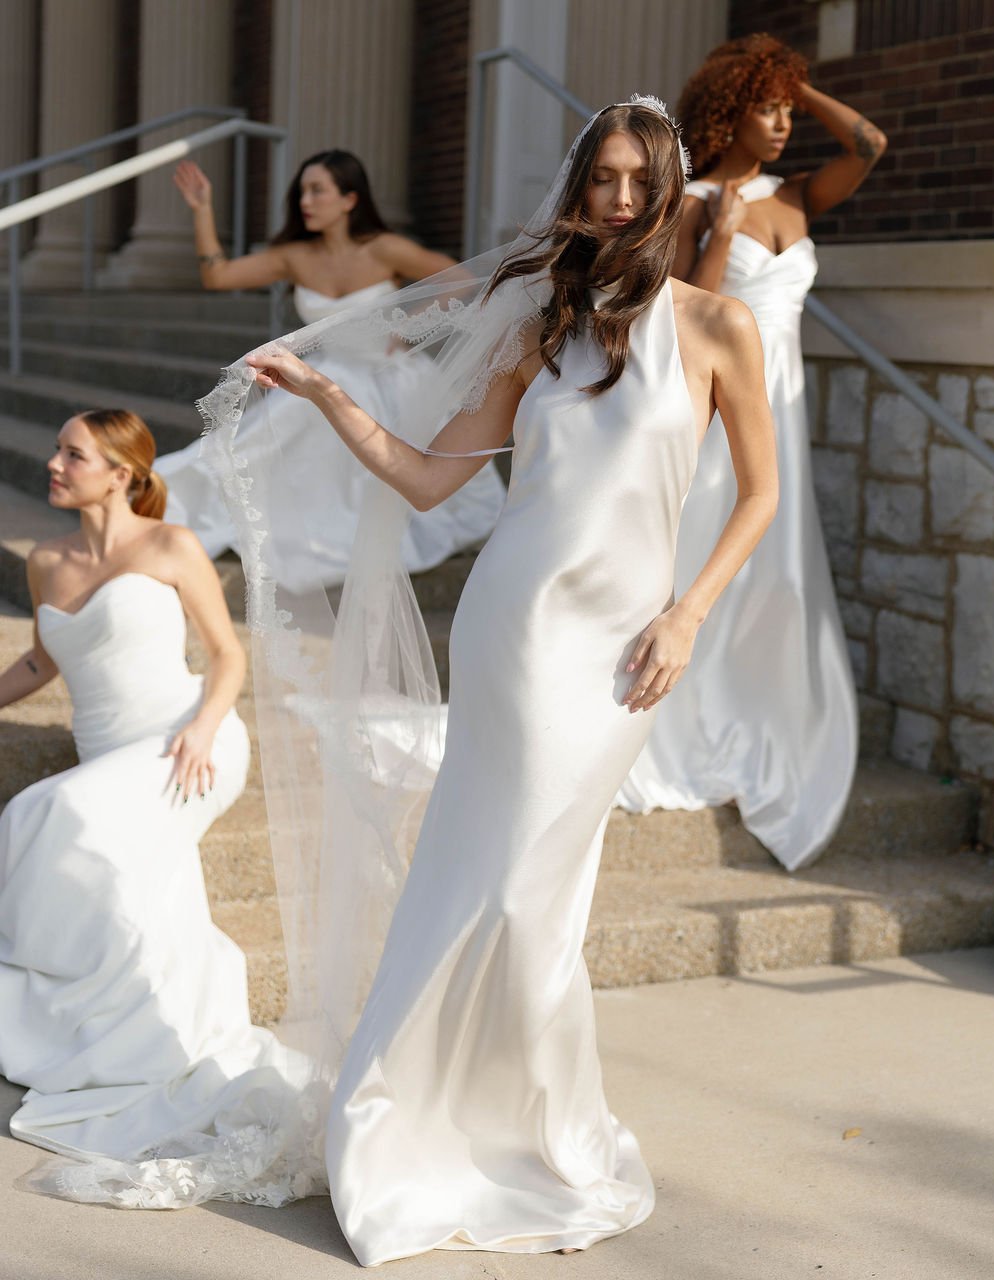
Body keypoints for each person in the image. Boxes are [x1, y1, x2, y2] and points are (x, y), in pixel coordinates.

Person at [238, 95, 778, 1264]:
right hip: (516, 631)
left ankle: (522, 1129)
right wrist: (332, 397)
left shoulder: (720, 327)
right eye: (604, 179)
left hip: (629, 646)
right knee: (491, 881)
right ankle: (417, 1122)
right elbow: (433, 480)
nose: (621, 199)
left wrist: (688, 612)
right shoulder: (546, 324)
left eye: (642, 180)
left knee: (538, 892)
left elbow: (760, 495)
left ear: (672, 188)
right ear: (580, 188)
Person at [0, 409, 312, 1198]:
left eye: (73, 453)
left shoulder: (171, 546)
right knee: (76, 825)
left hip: (188, 744)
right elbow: (39, 660)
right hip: (111, 760)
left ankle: (74, 1018)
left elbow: (227, 653)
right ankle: (96, 1010)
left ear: (123, 474)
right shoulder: (46, 559)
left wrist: (208, 726)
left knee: (41, 814)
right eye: (58, 448)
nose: (55, 463)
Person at [618, 35, 887, 871]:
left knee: (775, 564)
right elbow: (684, 303)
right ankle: (671, 702)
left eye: (784, 110)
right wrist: (724, 233)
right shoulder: (691, 198)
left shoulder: (799, 194)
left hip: (785, 413)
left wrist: (798, 87)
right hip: (712, 413)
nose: (779, 124)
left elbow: (870, 145)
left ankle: (758, 705)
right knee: (700, 550)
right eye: (764, 106)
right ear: (730, 110)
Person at [158, 149, 507, 589]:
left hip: (394, 378)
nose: (306, 200)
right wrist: (203, 210)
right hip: (328, 374)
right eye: (302, 190)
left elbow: (460, 278)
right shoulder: (294, 255)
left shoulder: (384, 247)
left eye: (317, 190)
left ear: (349, 199)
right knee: (255, 450)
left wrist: (408, 327)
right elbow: (219, 277)